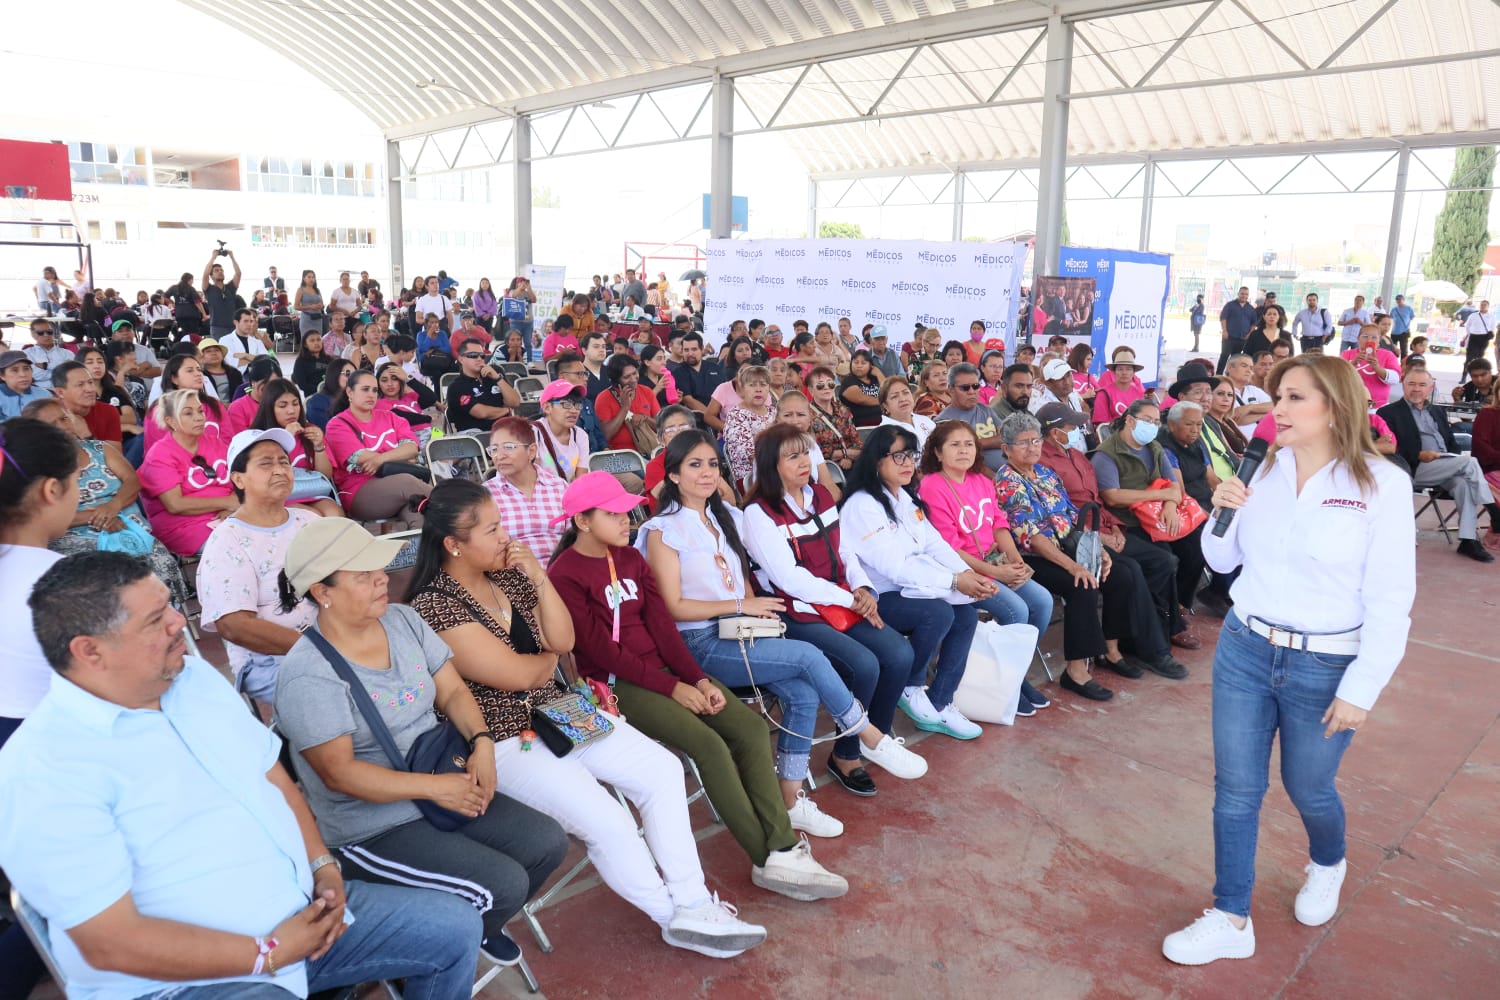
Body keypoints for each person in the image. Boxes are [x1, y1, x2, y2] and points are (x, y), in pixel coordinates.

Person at [0, 550, 487, 1000]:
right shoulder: (43, 769)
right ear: (90, 651)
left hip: (302, 914)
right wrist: (268, 951)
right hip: (193, 980)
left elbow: (271, 775)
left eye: (171, 606)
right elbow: (108, 943)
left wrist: (323, 868)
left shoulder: (191, 680)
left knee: (456, 927)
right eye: (156, 620)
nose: (179, 624)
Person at [404, 479, 770, 957]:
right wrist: (543, 664)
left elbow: (564, 640)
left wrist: (536, 574)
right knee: (608, 821)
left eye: (502, 526)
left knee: (661, 770)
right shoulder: (433, 604)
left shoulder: (510, 573)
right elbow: (514, 675)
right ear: (453, 544)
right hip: (506, 736)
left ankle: (693, 900)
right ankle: (671, 916)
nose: (505, 537)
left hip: (562, 710)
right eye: (492, 529)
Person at [1163, 355, 1417, 965]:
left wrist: (1363, 688)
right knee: (1236, 789)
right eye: (1278, 397)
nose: (1277, 409)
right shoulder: (1263, 471)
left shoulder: (1381, 486)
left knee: (1309, 786)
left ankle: (1327, 861)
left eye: (1295, 398)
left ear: (1336, 407)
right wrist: (1224, 508)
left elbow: (1391, 599)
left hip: (1326, 663)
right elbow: (1221, 563)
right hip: (1246, 650)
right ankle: (1230, 914)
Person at [272, 517, 567, 971]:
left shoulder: (403, 619)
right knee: (504, 883)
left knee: (548, 842)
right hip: (374, 826)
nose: (381, 581)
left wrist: (482, 742)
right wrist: (434, 789)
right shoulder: (308, 674)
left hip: (440, 779)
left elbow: (451, 692)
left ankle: (468, 927)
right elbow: (340, 774)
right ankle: (440, 943)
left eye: (380, 570)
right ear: (321, 591)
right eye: (363, 575)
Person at [547, 471, 846, 900]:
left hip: (666, 673)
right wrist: (674, 690)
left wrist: (698, 679)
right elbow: (602, 653)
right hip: (616, 686)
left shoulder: (630, 559)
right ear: (583, 521)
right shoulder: (566, 574)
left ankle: (783, 847)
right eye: (613, 514)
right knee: (709, 745)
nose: (627, 520)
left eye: (627, 512)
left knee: (750, 729)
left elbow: (664, 630)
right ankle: (767, 856)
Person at [641, 429, 870, 837]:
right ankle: (865, 731)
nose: (707, 472)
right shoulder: (663, 530)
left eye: (712, 463)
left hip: (739, 630)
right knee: (809, 656)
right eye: (695, 465)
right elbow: (673, 607)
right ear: (672, 475)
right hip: (700, 643)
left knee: (803, 692)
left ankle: (789, 800)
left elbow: (743, 579)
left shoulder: (726, 516)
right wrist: (742, 606)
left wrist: (751, 609)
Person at [742, 424, 930, 792]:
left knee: (899, 654)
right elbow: (790, 579)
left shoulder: (821, 497)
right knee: (863, 664)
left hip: (840, 598)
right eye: (792, 455)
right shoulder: (759, 513)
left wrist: (863, 587)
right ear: (770, 465)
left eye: (806, 453)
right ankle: (847, 753)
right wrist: (851, 599)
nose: (804, 462)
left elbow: (845, 551)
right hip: (795, 611)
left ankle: (868, 742)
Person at [995, 411, 1178, 701]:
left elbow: (1071, 515)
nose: (1032, 448)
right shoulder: (1007, 481)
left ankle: (1111, 649)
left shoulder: (1045, 473)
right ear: (1005, 449)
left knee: (1122, 572)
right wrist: (1074, 566)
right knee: (1082, 584)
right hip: (1035, 557)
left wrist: (1098, 551)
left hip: (1067, 544)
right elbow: (1032, 537)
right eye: (1022, 443)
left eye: (1035, 440)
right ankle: (1076, 671)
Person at [837, 424, 986, 738]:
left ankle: (942, 701)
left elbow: (934, 543)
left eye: (912, 455)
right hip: (877, 595)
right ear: (877, 459)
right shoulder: (863, 504)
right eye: (899, 456)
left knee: (965, 616)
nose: (908, 463)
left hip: (912, 587)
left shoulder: (903, 496)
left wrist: (967, 574)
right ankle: (910, 685)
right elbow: (894, 569)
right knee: (939, 613)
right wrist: (954, 581)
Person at [917, 420, 1055, 715]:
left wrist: (1015, 560)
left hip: (992, 563)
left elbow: (999, 525)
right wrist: (995, 573)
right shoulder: (932, 486)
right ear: (938, 453)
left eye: (968, 444)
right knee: (1016, 610)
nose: (963, 450)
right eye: (954, 445)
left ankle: (1012, 676)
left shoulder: (980, 480)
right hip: (963, 571)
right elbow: (947, 548)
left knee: (1042, 601)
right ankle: (1003, 684)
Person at [195, 428, 322, 714]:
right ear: (238, 478)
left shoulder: (309, 521)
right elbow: (235, 625)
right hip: (269, 659)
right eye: (266, 463)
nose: (279, 470)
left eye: (284, 461)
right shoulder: (228, 540)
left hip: (329, 640)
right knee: (348, 687)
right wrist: (321, 651)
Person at [1092, 399, 1204, 657]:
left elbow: (1175, 487)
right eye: (1147, 421)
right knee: (1165, 560)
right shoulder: (1107, 454)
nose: (1152, 426)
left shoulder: (1153, 447)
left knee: (1187, 549)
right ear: (1130, 420)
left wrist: (1169, 505)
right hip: (1125, 523)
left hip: (1154, 520)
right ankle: (1158, 624)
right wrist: (1156, 496)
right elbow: (1112, 497)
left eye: (1156, 422)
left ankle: (1167, 619)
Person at [1378, 368, 1499, 562]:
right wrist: (1419, 454)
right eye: (1412, 384)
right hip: (1414, 467)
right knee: (1470, 462)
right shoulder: (1388, 413)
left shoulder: (1437, 411)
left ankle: (1468, 540)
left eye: (1422, 385)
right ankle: (1494, 510)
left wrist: (1451, 457)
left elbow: (1451, 442)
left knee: (1463, 483)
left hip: (1445, 464)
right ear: (1403, 385)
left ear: (1431, 388)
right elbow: (1389, 448)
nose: (1416, 389)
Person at [324, 370, 430, 529]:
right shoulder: (337, 424)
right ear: (349, 392)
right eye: (365, 389)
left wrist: (380, 459)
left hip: (399, 488)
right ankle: (461, 505)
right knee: (407, 482)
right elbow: (363, 459)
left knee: (421, 514)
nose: (371, 395)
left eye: (375, 390)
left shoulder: (390, 417)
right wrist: (402, 457)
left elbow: (412, 448)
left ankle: (418, 552)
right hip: (359, 492)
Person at [138, 390, 236, 556]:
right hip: (184, 526)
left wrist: (233, 509)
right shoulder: (160, 454)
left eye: (200, 411)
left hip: (227, 516)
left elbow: (239, 480)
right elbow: (175, 504)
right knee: (236, 548)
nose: (199, 417)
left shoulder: (215, 443)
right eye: (188, 413)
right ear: (171, 421)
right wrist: (228, 502)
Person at [251, 379, 343, 517]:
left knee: (335, 514)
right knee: (311, 516)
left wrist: (319, 447)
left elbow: (325, 475)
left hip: (312, 492)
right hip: (277, 497)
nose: (291, 411)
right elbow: (263, 475)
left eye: (295, 404)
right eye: (282, 406)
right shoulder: (259, 437)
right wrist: (285, 438)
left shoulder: (309, 431)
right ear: (269, 408)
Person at [937, 362, 1006, 471]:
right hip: (978, 477)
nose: (972, 392)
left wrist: (976, 443)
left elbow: (1006, 438)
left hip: (1007, 472)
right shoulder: (944, 421)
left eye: (975, 386)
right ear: (951, 390)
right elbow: (961, 458)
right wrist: (995, 479)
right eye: (965, 388)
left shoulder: (986, 410)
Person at [447, 338, 520, 434]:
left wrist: (497, 378)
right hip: (475, 437)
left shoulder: (495, 373)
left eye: (482, 356)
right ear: (461, 359)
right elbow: (481, 413)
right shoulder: (456, 387)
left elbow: (515, 402)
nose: (479, 359)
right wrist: (506, 410)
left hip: (504, 432)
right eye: (473, 355)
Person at [595, 352, 662, 451]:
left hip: (649, 451)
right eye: (626, 377)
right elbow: (606, 435)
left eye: (635, 373)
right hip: (620, 455)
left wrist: (644, 418)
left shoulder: (646, 391)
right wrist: (625, 408)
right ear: (616, 380)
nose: (633, 379)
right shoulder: (604, 398)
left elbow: (661, 427)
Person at [805, 364, 863, 471]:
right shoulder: (807, 415)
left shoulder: (843, 409)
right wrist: (845, 454)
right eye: (820, 385)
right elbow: (817, 451)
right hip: (825, 468)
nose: (826, 388)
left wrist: (848, 458)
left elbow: (857, 443)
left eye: (830, 384)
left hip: (852, 463)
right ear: (810, 390)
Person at [1341, 325, 1400, 409]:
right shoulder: (1347, 354)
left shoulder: (1388, 355)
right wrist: (1353, 363)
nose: (1369, 340)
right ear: (1358, 338)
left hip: (1378, 406)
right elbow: (1337, 377)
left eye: (1374, 337)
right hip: (1351, 405)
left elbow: (1395, 379)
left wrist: (1377, 368)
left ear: (1379, 340)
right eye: (1365, 336)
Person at [1093, 347, 1147, 428]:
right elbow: (1102, 427)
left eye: (1128, 369)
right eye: (1120, 369)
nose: (1124, 373)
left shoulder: (1139, 394)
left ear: (1133, 372)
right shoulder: (1104, 394)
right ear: (1114, 372)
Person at [877, 376, 935, 449]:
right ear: (885, 406)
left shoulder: (925, 421)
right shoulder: (884, 432)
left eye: (906, 393)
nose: (903, 399)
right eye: (894, 396)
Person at [0, 351, 54, 419]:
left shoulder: (44, 394)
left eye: (26, 369)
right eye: (14, 370)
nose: (23, 374)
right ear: (2, 376)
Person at [839, 350, 883, 427]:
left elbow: (888, 391)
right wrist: (885, 401)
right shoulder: (848, 381)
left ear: (871, 365)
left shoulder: (875, 379)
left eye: (863, 363)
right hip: (861, 426)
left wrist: (879, 374)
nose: (859, 366)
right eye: (856, 362)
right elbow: (862, 399)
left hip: (884, 422)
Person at [308, 358, 354, 430]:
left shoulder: (355, 398)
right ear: (335, 374)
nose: (353, 379)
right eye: (347, 374)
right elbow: (329, 430)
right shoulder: (317, 402)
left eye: (355, 375)